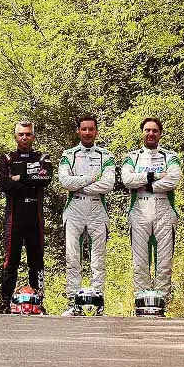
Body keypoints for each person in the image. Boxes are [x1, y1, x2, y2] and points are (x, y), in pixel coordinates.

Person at [58, 114, 116, 316]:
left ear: (96, 131)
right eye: (84, 129)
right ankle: (73, 304)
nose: (88, 133)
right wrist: (92, 178)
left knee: (98, 260)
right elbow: (65, 182)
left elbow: (107, 185)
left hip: (97, 209)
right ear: (78, 131)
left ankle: (98, 304)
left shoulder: (106, 156)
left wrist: (80, 184)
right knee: (72, 259)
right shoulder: (68, 154)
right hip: (74, 208)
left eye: (91, 129)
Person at [121, 118, 182, 303]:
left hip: (164, 210)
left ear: (160, 133)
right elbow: (127, 180)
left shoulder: (170, 156)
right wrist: (154, 176)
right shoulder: (132, 157)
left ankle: (162, 303)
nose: (151, 134)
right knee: (140, 262)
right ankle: (142, 301)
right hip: (139, 209)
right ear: (142, 132)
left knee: (164, 262)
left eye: (155, 130)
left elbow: (173, 181)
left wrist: (144, 184)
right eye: (147, 130)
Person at [0, 120, 53, 313]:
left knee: (36, 261)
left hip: (35, 218)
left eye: (28, 134)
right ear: (15, 136)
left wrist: (20, 178)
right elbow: (5, 184)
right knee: (10, 261)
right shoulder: (7, 158)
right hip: (14, 218)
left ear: (33, 136)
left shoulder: (42, 157)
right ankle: (5, 302)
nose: (24, 137)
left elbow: (45, 178)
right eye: (21, 134)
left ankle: (38, 300)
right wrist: (31, 182)